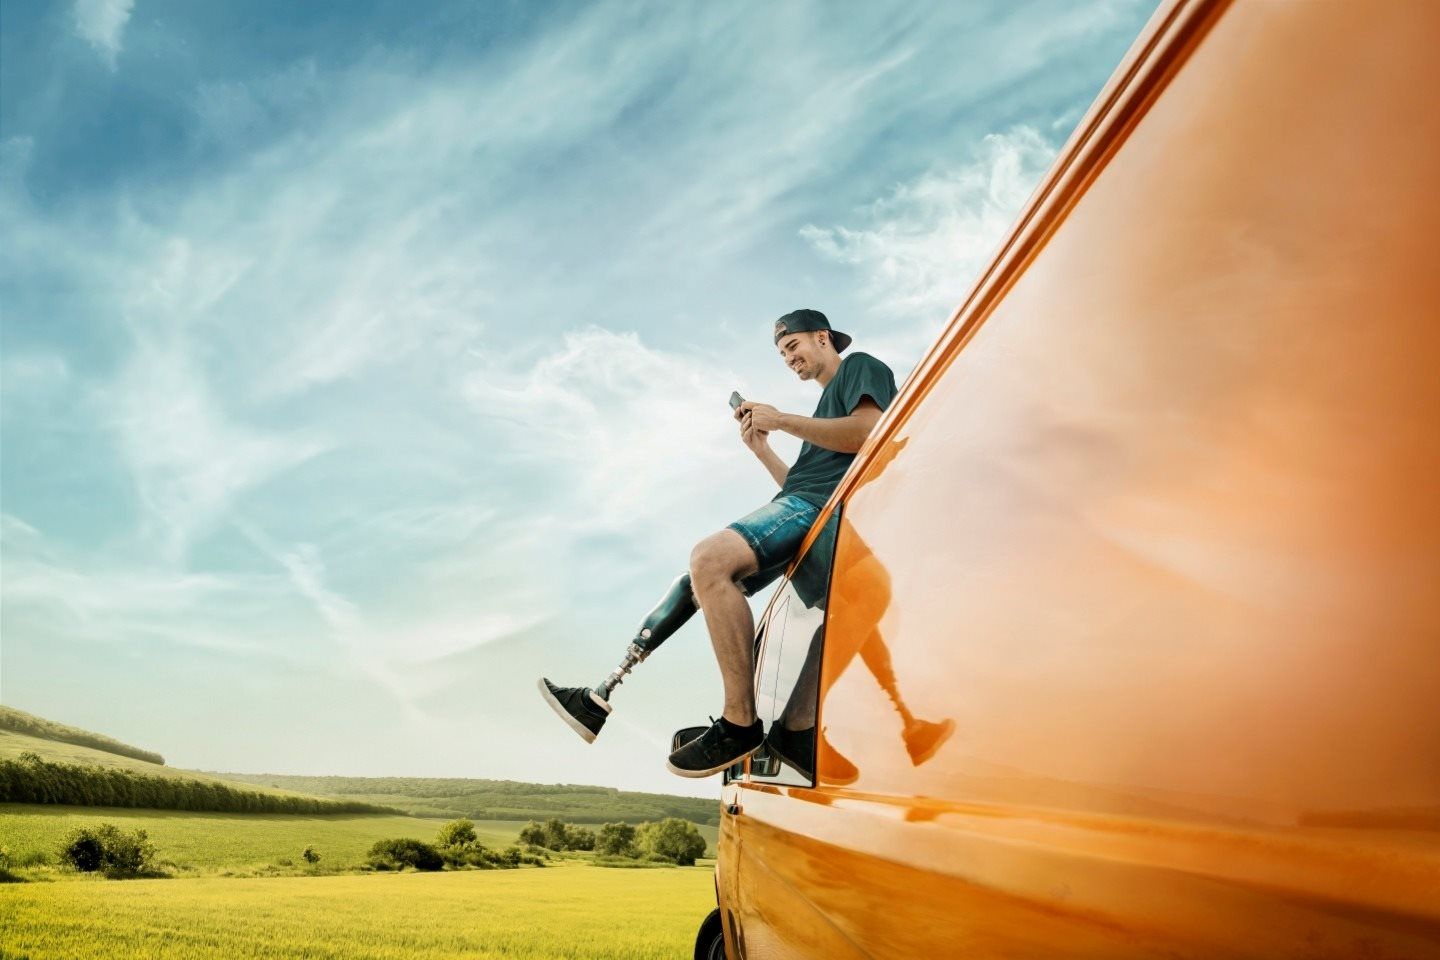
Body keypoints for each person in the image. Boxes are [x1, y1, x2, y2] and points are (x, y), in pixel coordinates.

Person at [538, 309, 898, 777]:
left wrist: (781, 420)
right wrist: (762, 449)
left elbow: (868, 434)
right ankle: (601, 693)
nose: (789, 358)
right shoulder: (823, 408)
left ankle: (740, 723)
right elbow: (803, 483)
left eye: (793, 347)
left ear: (823, 337)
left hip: (818, 511)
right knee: (695, 581)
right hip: (807, 507)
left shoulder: (860, 367)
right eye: (781, 353)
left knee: (709, 559)